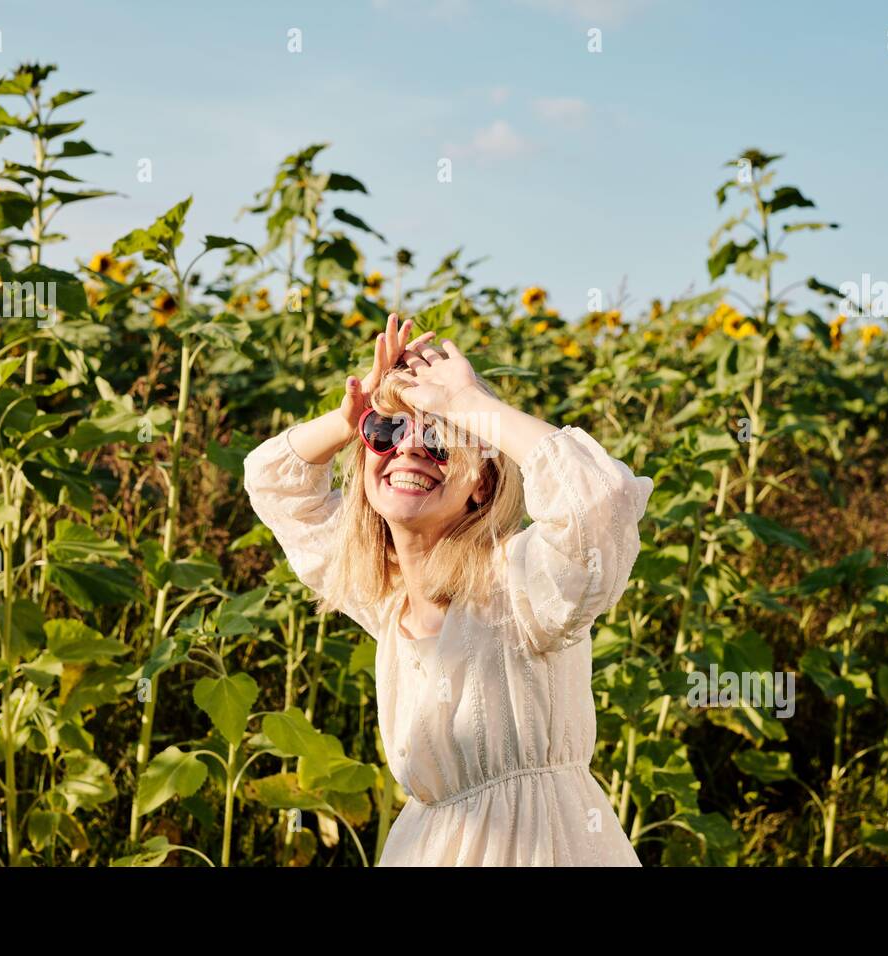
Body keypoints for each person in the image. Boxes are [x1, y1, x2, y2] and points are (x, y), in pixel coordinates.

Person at [243, 313, 653, 865]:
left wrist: (466, 404)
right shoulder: (385, 596)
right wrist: (352, 415)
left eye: (438, 439)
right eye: (386, 433)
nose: (408, 449)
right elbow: (273, 481)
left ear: (482, 483)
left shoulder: (520, 583)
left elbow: (600, 499)